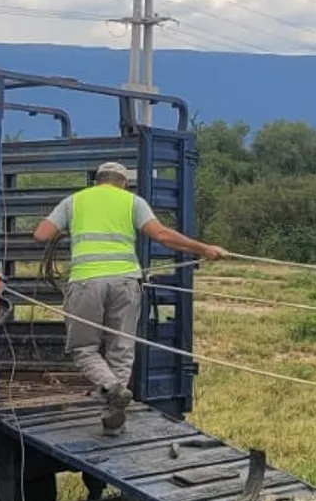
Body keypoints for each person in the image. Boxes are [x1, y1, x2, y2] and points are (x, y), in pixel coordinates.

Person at [33, 161, 225, 431]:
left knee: (84, 349)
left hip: (87, 282)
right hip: (125, 281)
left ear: (96, 180)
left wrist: (70, 226)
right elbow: (162, 235)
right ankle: (114, 417)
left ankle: (111, 388)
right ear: (123, 182)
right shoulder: (132, 201)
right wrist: (203, 249)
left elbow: (41, 234)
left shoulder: (74, 200)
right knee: (121, 348)